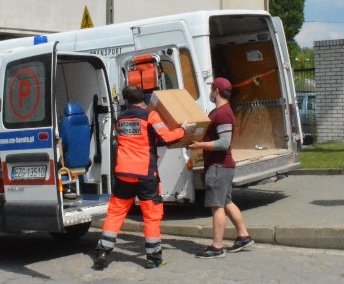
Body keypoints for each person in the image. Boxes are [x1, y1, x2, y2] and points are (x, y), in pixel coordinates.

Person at [93, 84, 193, 270]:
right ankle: (153, 258)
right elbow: (167, 137)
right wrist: (184, 130)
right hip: (145, 174)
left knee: (116, 213)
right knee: (152, 216)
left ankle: (103, 251)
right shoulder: (150, 116)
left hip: (123, 173)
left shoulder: (120, 118)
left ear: (126, 100)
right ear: (142, 99)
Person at [188, 77, 253, 259]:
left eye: (212, 89)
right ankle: (244, 236)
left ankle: (217, 247)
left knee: (216, 207)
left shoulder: (223, 113)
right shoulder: (218, 112)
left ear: (216, 91)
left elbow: (224, 143)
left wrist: (199, 146)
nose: (210, 92)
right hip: (222, 166)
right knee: (226, 202)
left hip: (219, 167)